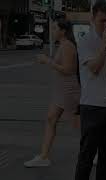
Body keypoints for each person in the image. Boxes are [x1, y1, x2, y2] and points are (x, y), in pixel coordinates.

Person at [24, 19, 81, 168]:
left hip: (69, 91)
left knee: (77, 125)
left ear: (63, 31)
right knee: (51, 120)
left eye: (55, 28)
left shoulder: (67, 46)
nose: (52, 31)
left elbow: (69, 70)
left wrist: (47, 61)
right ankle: (44, 156)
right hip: (61, 91)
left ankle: (95, 151)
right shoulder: (63, 45)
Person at [74, 1, 106, 179]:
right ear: (92, 18)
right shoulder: (86, 42)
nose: (105, 25)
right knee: (87, 157)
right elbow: (94, 68)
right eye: (102, 20)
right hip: (92, 106)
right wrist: (103, 46)